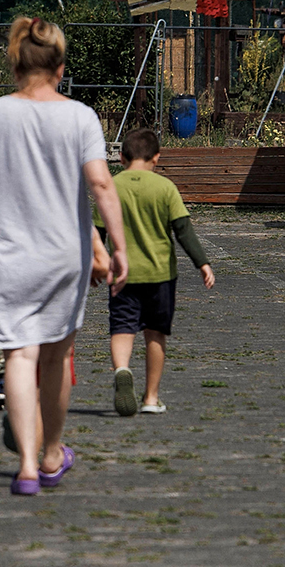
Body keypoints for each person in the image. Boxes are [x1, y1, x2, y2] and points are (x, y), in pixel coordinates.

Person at [0, 18, 128, 496]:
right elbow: (100, 183)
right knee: (56, 356)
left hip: (7, 257)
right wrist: (117, 245)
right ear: (60, 69)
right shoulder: (80, 117)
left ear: (15, 65)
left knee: (18, 354)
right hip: (62, 258)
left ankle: (26, 465)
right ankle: (52, 452)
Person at [97, 127, 215, 415]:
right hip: (160, 274)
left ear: (122, 158)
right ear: (156, 158)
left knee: (122, 328)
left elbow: (98, 231)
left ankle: (122, 370)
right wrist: (202, 263)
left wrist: (96, 262)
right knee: (155, 333)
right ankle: (151, 398)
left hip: (121, 274)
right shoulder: (165, 188)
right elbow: (183, 230)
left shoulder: (112, 186)